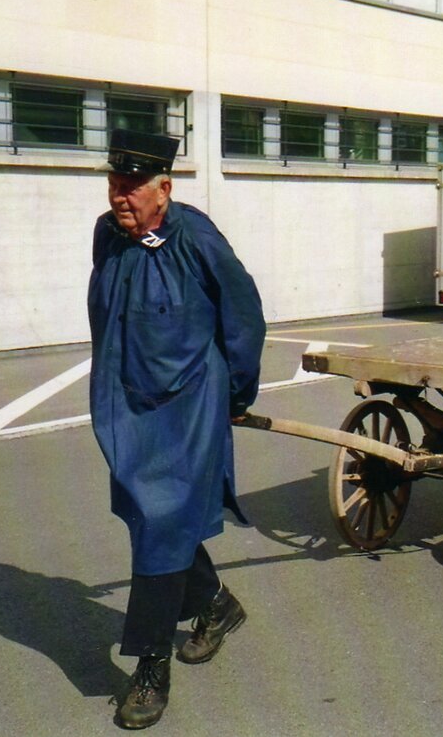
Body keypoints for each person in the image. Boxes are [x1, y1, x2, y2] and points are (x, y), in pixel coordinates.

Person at [87, 128, 266, 730]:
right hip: (128, 404)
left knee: (161, 524)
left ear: (164, 188)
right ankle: (216, 605)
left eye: (133, 186)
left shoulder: (197, 238)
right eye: (115, 184)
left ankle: (148, 667)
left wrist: (238, 394)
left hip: (190, 405)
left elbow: (243, 314)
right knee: (152, 519)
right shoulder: (107, 236)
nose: (120, 196)